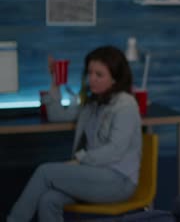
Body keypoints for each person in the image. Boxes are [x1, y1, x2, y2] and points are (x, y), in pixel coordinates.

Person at [8, 46, 142, 222]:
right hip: (93, 175)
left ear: (115, 79)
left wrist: (79, 160)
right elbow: (57, 115)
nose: (91, 79)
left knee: (45, 172)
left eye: (99, 75)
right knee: (48, 200)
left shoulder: (126, 105)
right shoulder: (93, 102)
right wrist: (55, 83)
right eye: (90, 73)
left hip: (118, 181)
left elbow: (114, 150)